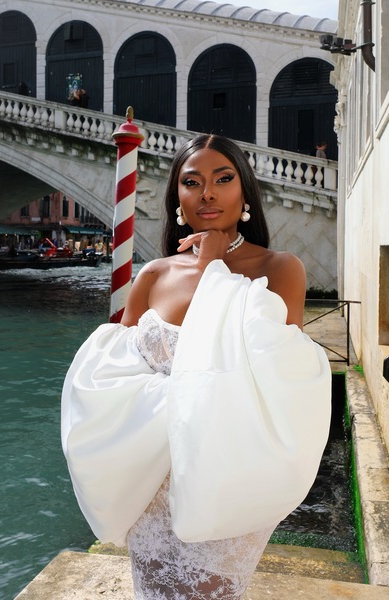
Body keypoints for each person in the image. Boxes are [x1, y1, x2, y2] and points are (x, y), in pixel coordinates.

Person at [61, 134, 331, 600]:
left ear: (245, 194)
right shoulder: (154, 275)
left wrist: (213, 271)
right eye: (192, 182)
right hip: (151, 482)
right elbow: (109, 375)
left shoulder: (281, 269)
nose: (207, 193)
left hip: (226, 478)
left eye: (223, 179)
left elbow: (284, 377)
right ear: (178, 198)